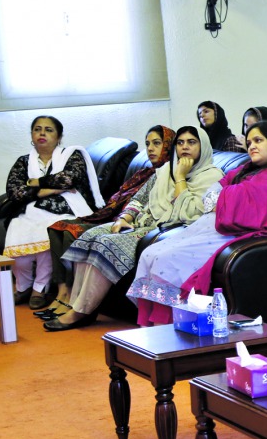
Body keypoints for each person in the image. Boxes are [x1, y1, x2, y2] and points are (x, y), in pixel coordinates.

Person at [49, 125, 223, 330]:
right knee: (89, 236)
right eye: (180, 143)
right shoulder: (164, 171)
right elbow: (139, 199)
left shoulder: (212, 177)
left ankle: (80, 311)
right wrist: (124, 218)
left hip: (163, 229)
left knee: (106, 243)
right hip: (138, 222)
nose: (184, 147)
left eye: (191, 142)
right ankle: (78, 304)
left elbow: (190, 213)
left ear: (203, 147)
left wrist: (181, 177)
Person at [127, 121, 267, 326]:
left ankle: (167, 327)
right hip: (218, 227)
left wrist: (226, 197)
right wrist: (227, 198)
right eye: (249, 142)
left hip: (242, 234)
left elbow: (238, 207)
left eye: (258, 140)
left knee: (167, 259)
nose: (252, 146)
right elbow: (210, 198)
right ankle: (150, 327)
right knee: (150, 254)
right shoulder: (247, 169)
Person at [39, 126, 175, 321]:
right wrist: (123, 217)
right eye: (148, 144)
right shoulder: (145, 173)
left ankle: (73, 302)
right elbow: (129, 201)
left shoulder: (172, 175)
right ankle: (63, 292)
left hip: (133, 224)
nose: (150, 149)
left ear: (169, 145)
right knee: (57, 228)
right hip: (117, 218)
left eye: (157, 143)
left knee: (71, 232)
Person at [1, 115, 103, 309]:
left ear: (59, 137)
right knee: (18, 237)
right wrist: (46, 190)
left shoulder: (71, 155)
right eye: (37, 129)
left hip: (63, 209)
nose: (42, 133)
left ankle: (40, 288)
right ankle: (23, 286)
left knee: (49, 233)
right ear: (32, 135)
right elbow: (14, 191)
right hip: (28, 211)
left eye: (48, 130)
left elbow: (69, 179)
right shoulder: (23, 161)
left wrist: (35, 183)